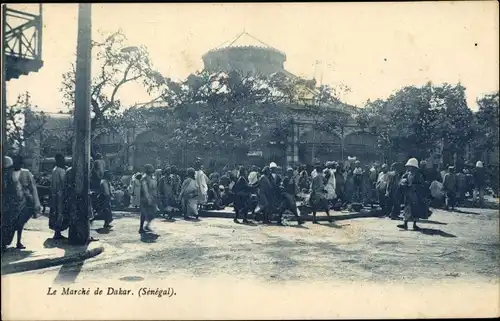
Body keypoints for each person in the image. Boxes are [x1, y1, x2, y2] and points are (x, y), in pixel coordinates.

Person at [2, 156, 41, 250]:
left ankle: (18, 242)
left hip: (25, 202)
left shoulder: (26, 173)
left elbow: (33, 187)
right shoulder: (8, 173)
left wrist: (36, 202)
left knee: (20, 223)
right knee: (9, 223)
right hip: (11, 203)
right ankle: (4, 242)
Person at [398, 158, 428, 230]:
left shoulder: (418, 175)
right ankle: (405, 223)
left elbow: (421, 185)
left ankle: (415, 224)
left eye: (410, 166)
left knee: (415, 209)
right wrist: (403, 183)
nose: (408, 167)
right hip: (408, 194)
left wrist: (414, 187)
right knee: (406, 209)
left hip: (415, 195)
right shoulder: (407, 174)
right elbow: (401, 181)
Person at [49, 154, 69, 240]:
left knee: (55, 212)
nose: (64, 161)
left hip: (54, 194)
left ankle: (57, 232)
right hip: (60, 194)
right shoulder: (61, 171)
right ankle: (57, 232)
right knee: (60, 212)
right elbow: (64, 183)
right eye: (63, 159)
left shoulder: (54, 170)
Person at [139, 164, 158, 233]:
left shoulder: (153, 178)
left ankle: (147, 225)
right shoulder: (144, 178)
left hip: (152, 198)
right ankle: (141, 227)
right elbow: (145, 189)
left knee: (153, 213)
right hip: (145, 198)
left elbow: (154, 189)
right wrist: (148, 198)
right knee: (144, 214)